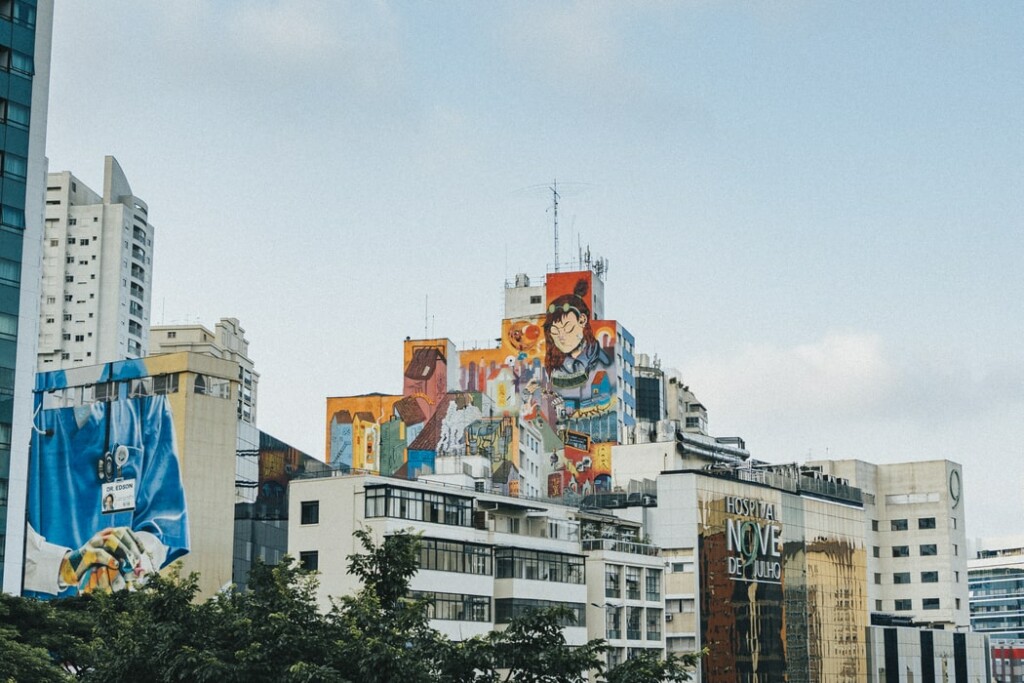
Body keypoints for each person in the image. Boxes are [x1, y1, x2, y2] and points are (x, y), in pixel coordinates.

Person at [24, 384, 189, 598]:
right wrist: (62, 564)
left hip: (113, 613)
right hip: (24, 614)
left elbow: (165, 520)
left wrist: (135, 558)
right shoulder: (20, 383)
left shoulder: (145, 394)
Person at [543, 278, 611, 389]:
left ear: (582, 320)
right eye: (555, 331)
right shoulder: (552, 365)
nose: (561, 336)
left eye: (568, 328)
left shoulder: (602, 359)